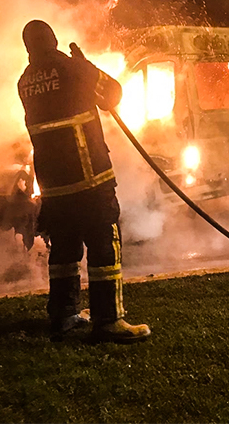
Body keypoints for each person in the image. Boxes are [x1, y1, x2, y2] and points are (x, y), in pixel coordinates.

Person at [18, 19, 151, 343]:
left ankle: (64, 314)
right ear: (54, 39)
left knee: (64, 250)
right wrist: (84, 64)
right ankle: (109, 321)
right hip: (90, 178)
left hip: (55, 185)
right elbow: (112, 95)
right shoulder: (70, 68)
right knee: (104, 248)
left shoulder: (24, 81)